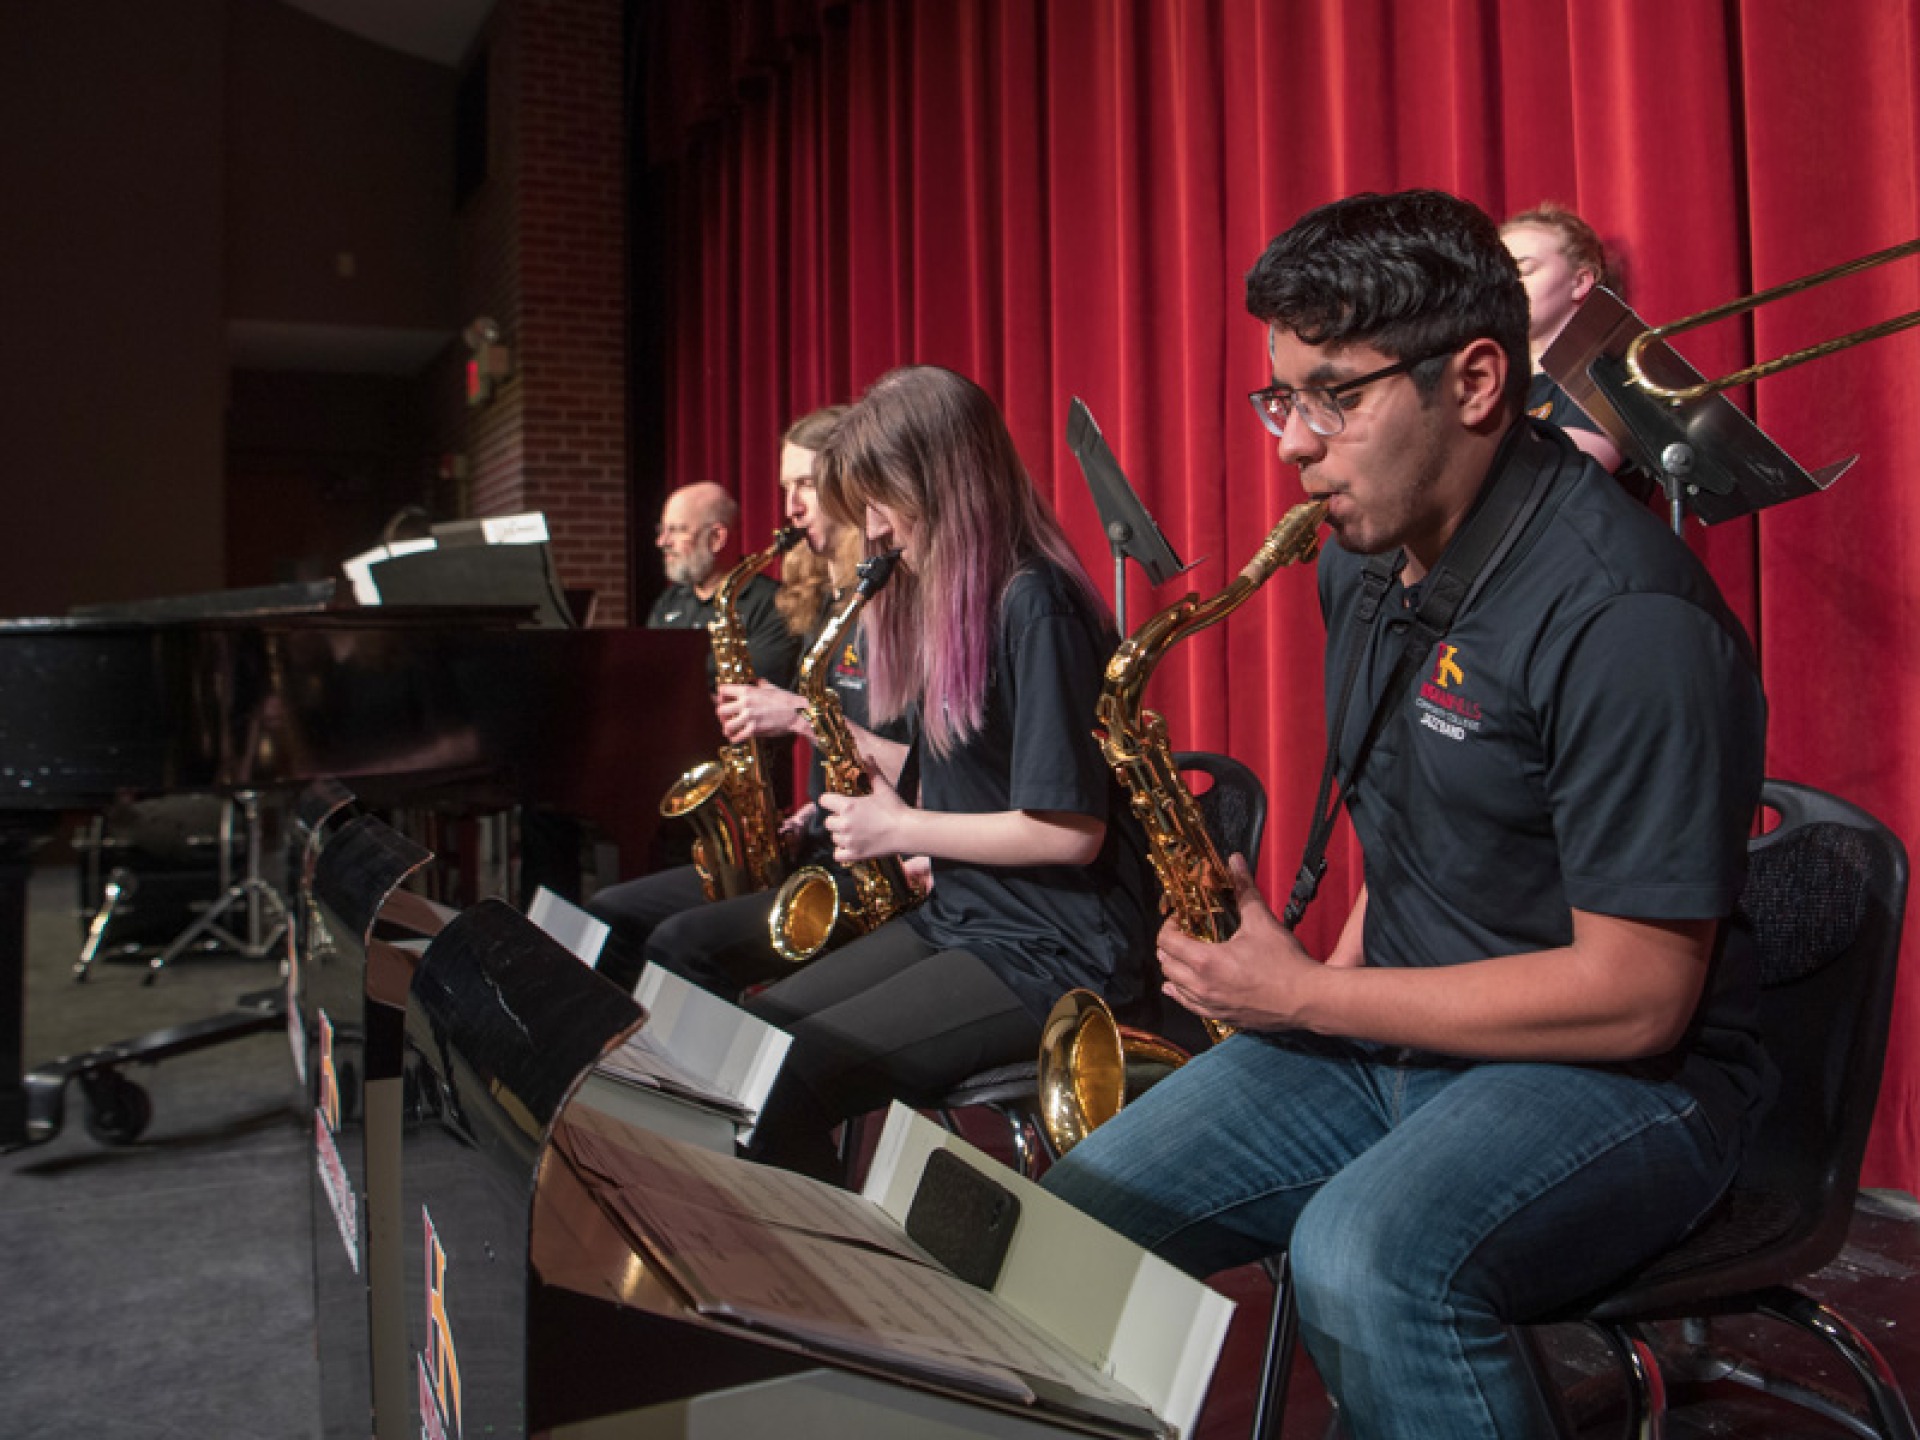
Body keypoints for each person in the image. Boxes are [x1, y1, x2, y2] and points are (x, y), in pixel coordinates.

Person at [1042, 189, 1770, 1440]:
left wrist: (1310, 1000)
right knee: (1075, 1211)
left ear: (1478, 380)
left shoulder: (1627, 620)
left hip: (1627, 1080)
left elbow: (1641, 991)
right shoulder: (1359, 561)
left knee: (1366, 1260)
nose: (1293, 445)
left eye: (1336, 396)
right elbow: (1417, 815)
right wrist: (1322, 976)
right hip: (1405, 1037)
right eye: (1281, 398)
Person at [739, 364, 1155, 1183]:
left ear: (941, 483)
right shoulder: (960, 600)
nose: (879, 532)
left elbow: (1070, 832)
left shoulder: (1035, 603)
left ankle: (843, 1296)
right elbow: (977, 781)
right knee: (759, 1042)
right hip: (968, 918)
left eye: (883, 504)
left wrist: (902, 828)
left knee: (787, 1078)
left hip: (1052, 949)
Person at [592, 408, 875, 991]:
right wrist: (808, 814)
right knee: (607, 912)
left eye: (805, 484)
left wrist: (793, 713)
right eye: (785, 487)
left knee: (679, 944)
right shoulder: (821, 598)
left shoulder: (877, 601)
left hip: (869, 859)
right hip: (817, 836)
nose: (790, 507)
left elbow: (902, 753)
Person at [1500, 201, 1627, 474]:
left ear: (1580, 282)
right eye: (1500, 275)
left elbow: (1571, 472)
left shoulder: (1605, 371)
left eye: (1524, 270)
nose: (1508, 285)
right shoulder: (1499, 379)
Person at [646, 478, 801, 689]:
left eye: (676, 530)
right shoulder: (670, 601)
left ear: (717, 538)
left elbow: (760, 687)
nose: (662, 542)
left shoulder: (774, 603)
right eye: (661, 530)